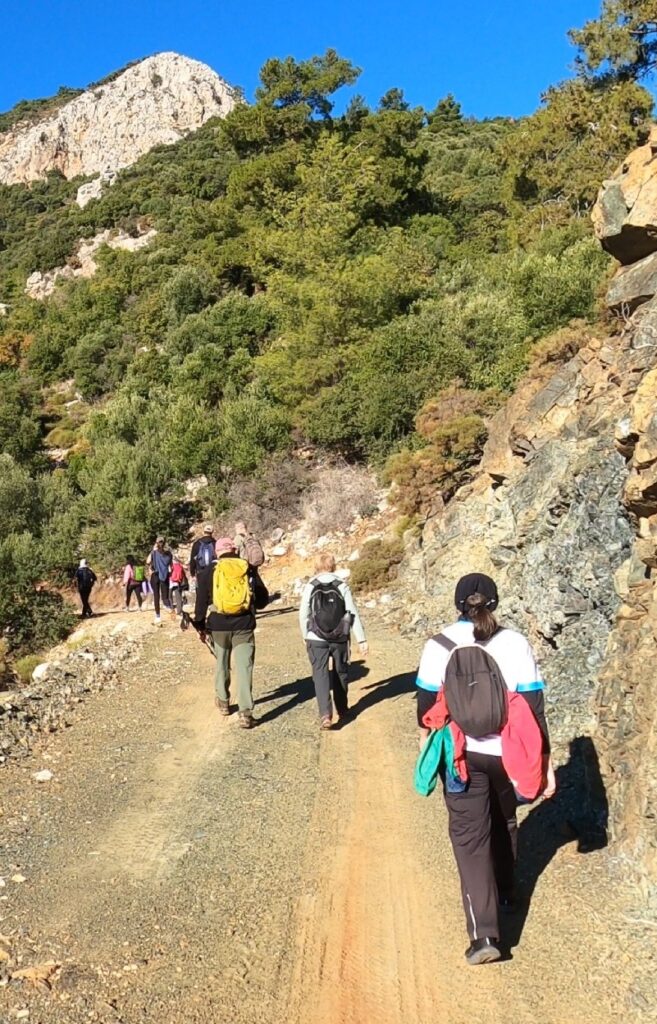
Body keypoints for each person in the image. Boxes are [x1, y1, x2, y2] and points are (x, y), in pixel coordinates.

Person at [415, 573, 556, 966]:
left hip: (460, 753)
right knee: (505, 818)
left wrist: (425, 744)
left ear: (457, 604)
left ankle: (484, 937)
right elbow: (535, 708)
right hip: (508, 753)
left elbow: (425, 707)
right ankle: (507, 892)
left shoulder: (439, 644)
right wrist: (544, 762)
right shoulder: (515, 643)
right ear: (494, 602)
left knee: (469, 838)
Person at [195, 537, 269, 729]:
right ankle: (245, 713)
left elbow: (200, 603)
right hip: (244, 625)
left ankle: (223, 701)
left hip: (218, 625)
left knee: (222, 663)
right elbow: (263, 600)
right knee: (245, 668)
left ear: (216, 552)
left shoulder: (208, 571)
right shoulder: (247, 568)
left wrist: (200, 626)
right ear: (235, 550)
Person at [299, 553, 368, 730]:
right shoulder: (341, 585)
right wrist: (361, 639)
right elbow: (352, 613)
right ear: (333, 566)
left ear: (316, 566)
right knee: (341, 672)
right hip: (340, 636)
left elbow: (304, 613)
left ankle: (325, 715)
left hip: (316, 637)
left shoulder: (310, 585)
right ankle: (342, 709)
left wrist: (305, 634)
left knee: (320, 674)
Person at [190, 524, 216, 621]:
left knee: (201, 595)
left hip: (200, 572)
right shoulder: (215, 543)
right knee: (214, 593)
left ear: (203, 532)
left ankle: (200, 617)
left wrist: (192, 573)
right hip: (213, 571)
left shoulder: (197, 544)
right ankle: (214, 614)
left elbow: (192, 560)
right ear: (212, 532)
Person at [146, 536, 173, 624]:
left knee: (156, 596)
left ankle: (158, 616)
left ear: (156, 543)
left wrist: (153, 551)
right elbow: (171, 566)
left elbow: (148, 561)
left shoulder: (154, 553)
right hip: (164, 575)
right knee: (165, 596)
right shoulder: (168, 554)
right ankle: (167, 607)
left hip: (155, 575)